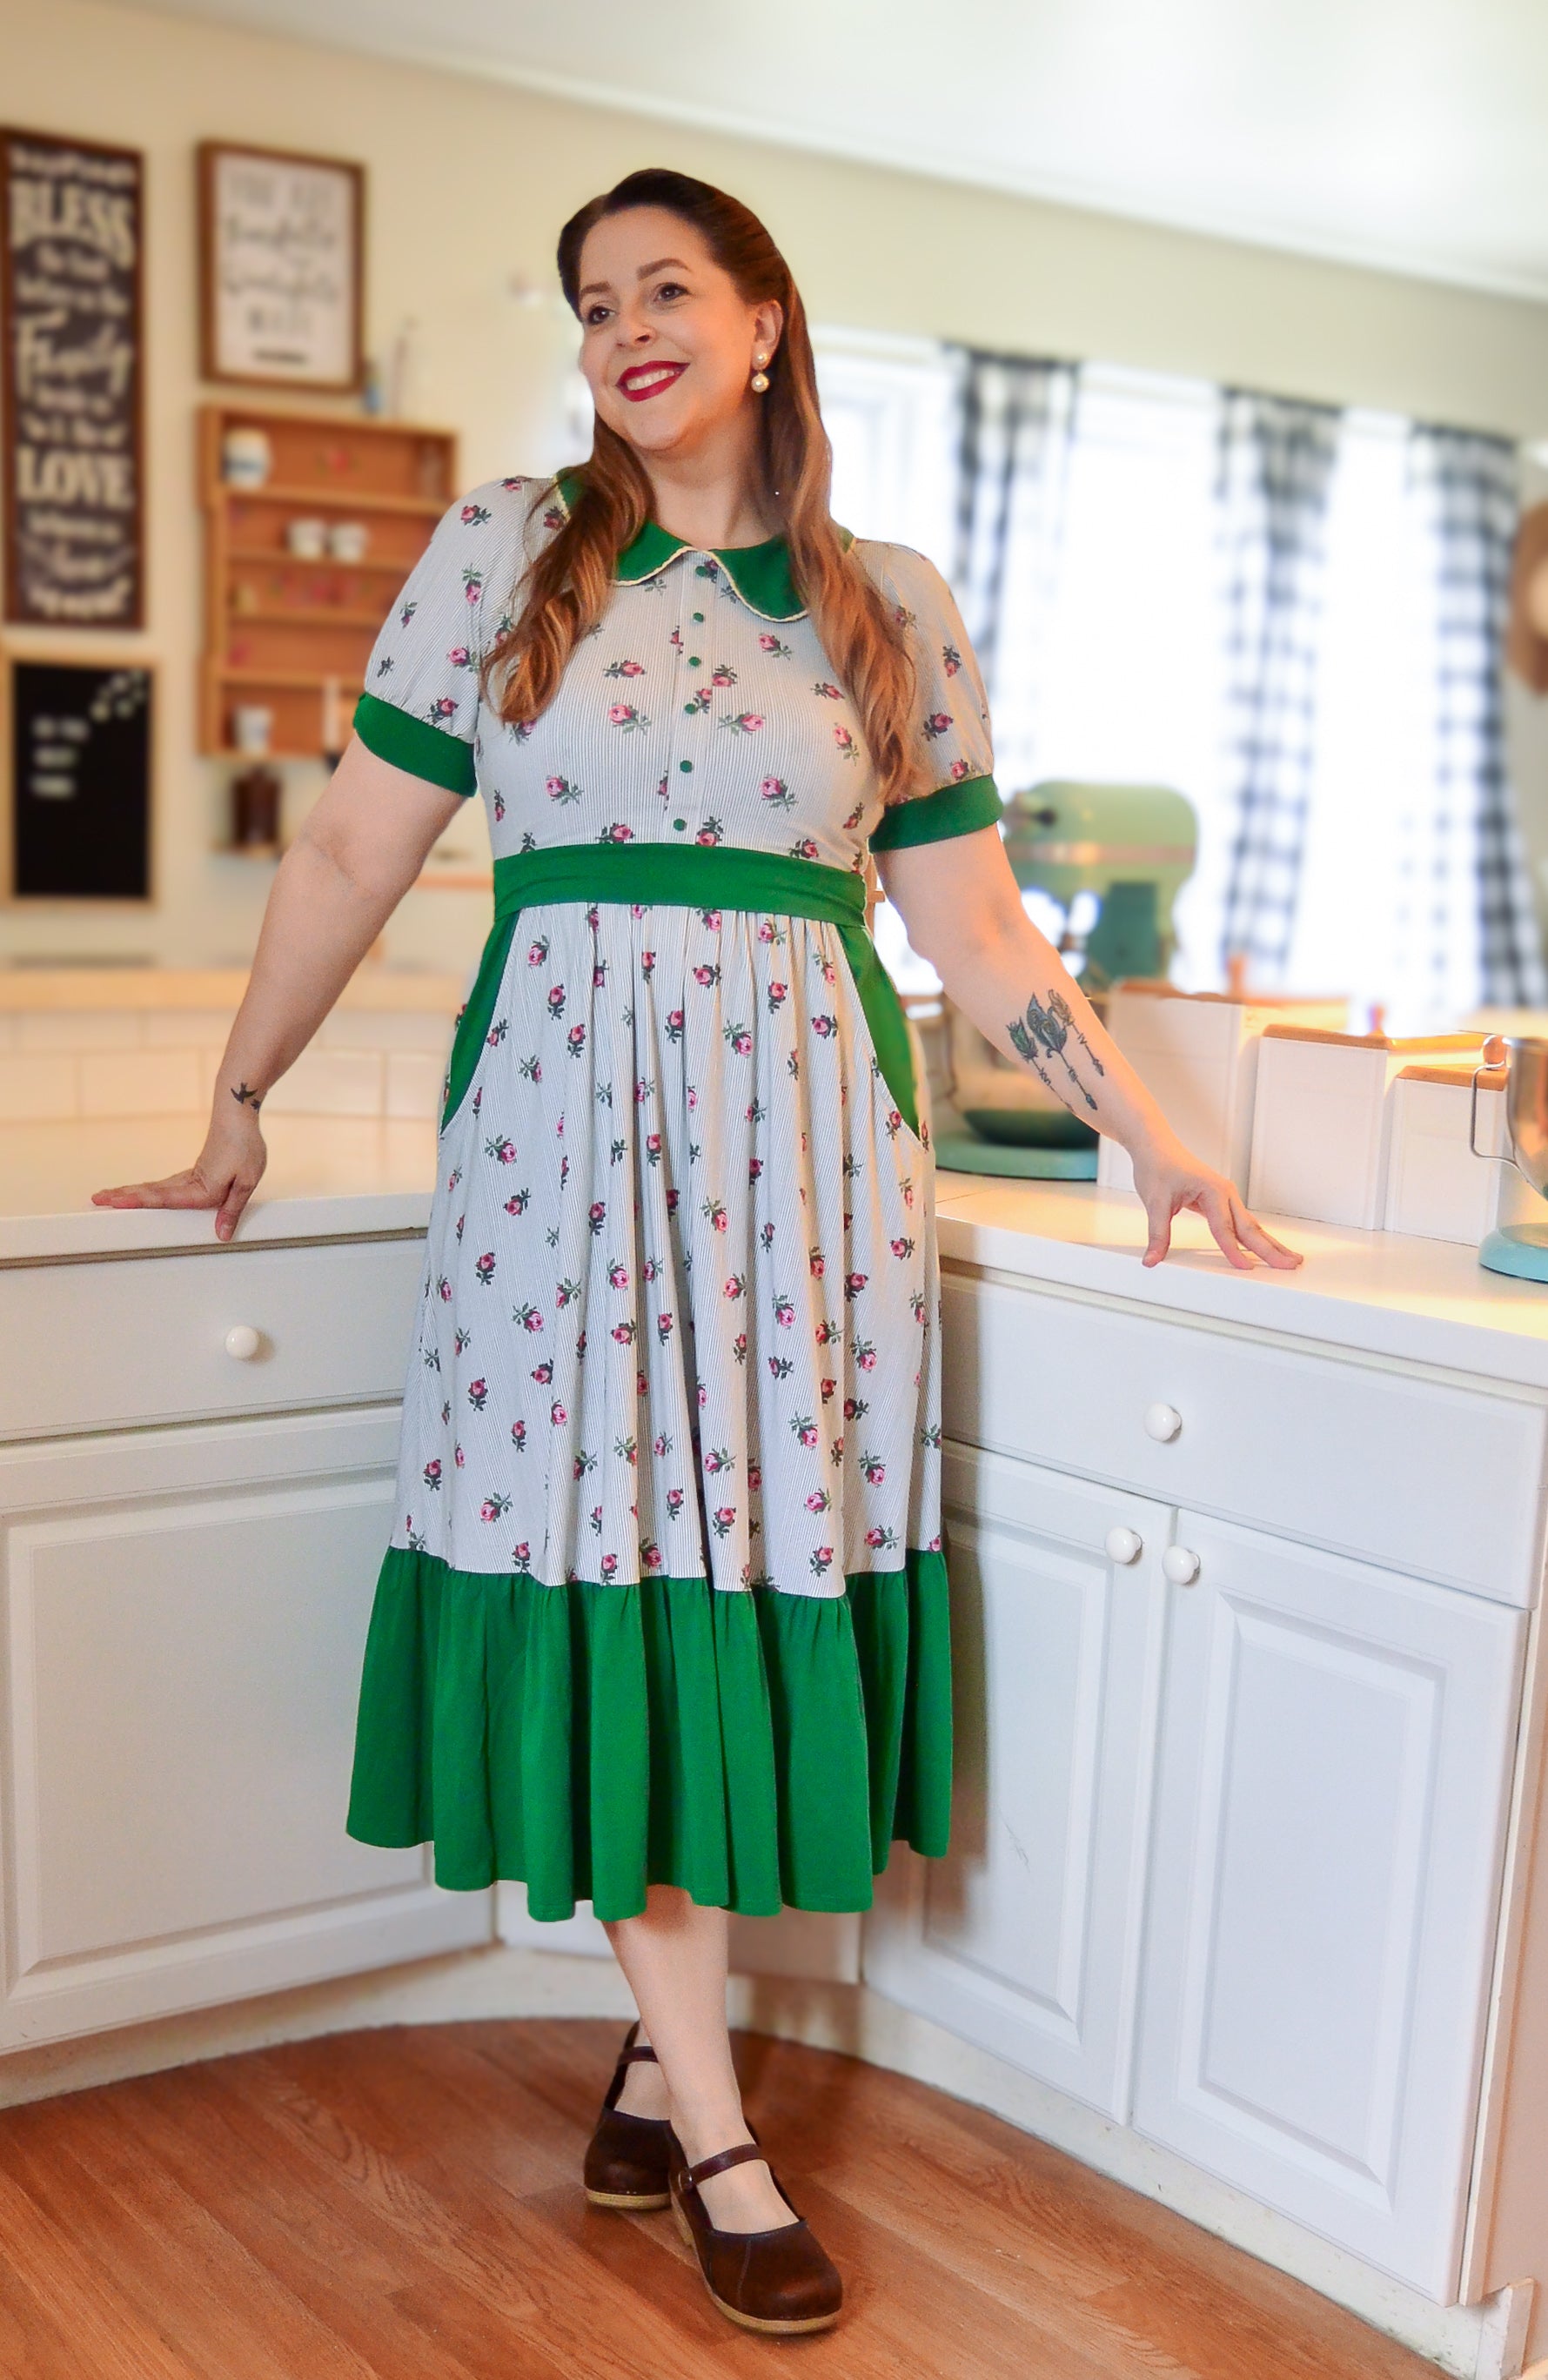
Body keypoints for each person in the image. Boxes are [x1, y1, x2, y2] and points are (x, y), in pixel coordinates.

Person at [94, 166, 1302, 2338]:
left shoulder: (888, 607)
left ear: (761, 320)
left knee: (742, 1568)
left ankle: (665, 2051)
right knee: (615, 1562)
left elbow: (972, 930)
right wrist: (238, 1095)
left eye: (664, 286)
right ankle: (720, 2139)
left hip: (811, 1168)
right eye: (586, 302)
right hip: (562, 1158)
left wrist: (1152, 1144)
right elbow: (357, 848)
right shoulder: (505, 555)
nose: (619, 326)